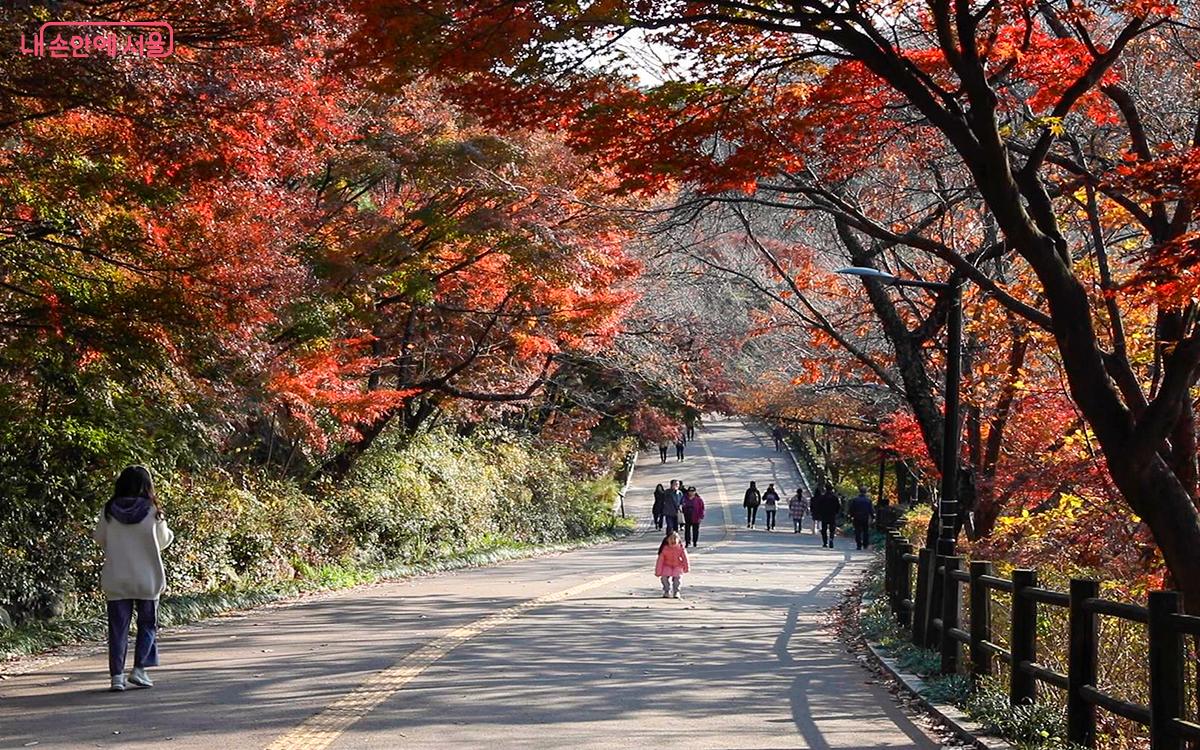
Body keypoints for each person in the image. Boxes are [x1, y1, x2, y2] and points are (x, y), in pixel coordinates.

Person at [93, 465, 174, 692]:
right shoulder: (153, 510)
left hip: (117, 578)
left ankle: (116, 677)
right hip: (147, 578)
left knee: (118, 628)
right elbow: (163, 540)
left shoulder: (108, 510)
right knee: (147, 624)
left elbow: (99, 537)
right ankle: (139, 670)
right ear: (147, 486)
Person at [655, 531, 690, 599]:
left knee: (677, 579)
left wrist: (686, 567)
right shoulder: (664, 549)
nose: (673, 540)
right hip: (667, 565)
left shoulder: (681, 548)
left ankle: (676, 591)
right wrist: (658, 572)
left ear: (678, 540)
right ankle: (666, 591)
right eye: (671, 539)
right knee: (664, 578)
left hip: (677, 566)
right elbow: (660, 561)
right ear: (667, 540)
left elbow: (685, 558)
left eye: (675, 538)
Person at [812, 483, 841, 548]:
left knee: (824, 529)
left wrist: (819, 513)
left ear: (825, 489)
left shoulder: (822, 497)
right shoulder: (835, 497)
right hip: (832, 515)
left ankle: (825, 542)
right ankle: (831, 539)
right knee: (832, 529)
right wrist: (836, 512)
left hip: (824, 515)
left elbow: (819, 506)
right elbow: (838, 506)